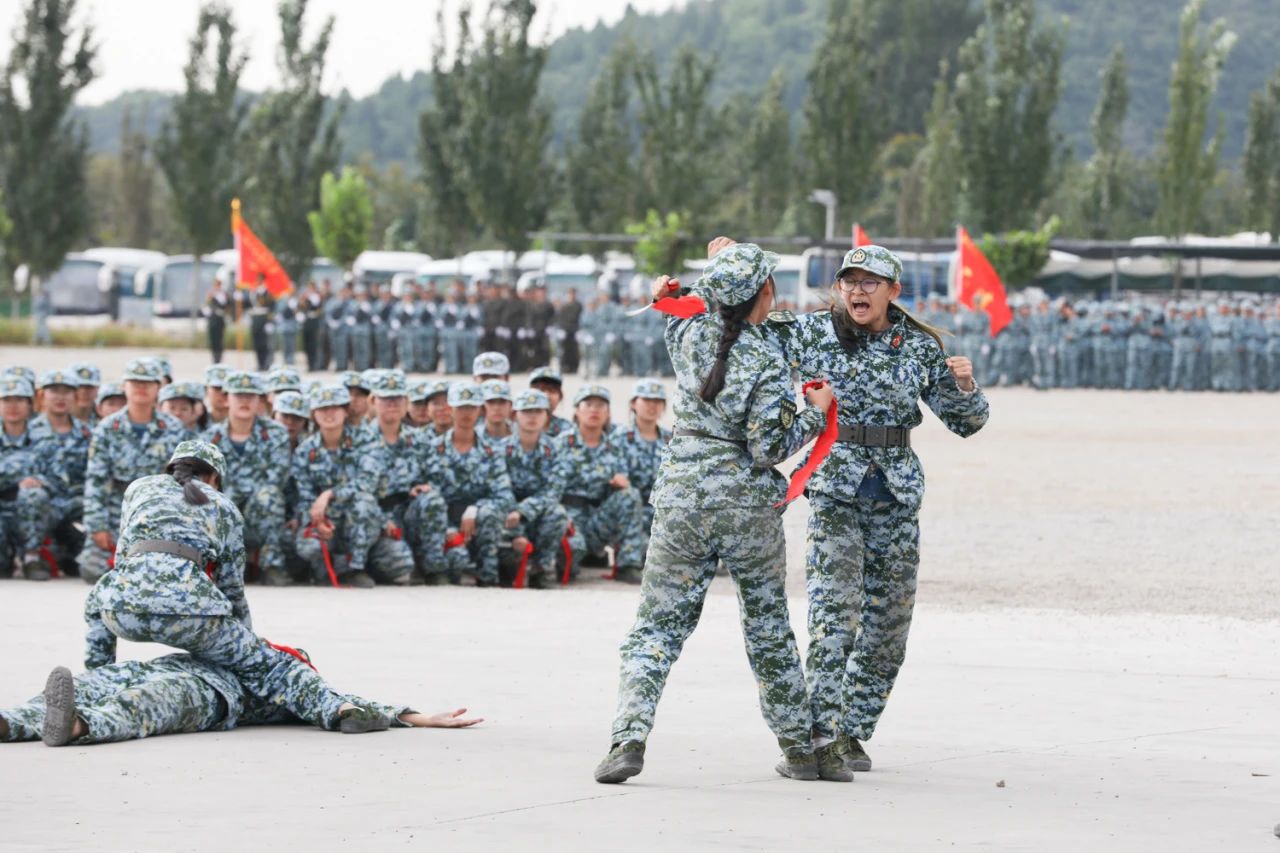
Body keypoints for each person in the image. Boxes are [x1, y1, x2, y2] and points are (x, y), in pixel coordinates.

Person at [595, 240, 835, 785]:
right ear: (763, 292)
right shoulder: (768, 361)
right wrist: (815, 416)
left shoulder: (684, 334)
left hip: (680, 496)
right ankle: (799, 749)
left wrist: (700, 275)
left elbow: (693, 303)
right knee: (768, 624)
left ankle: (627, 737)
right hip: (745, 503)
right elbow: (767, 448)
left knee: (655, 627)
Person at [779, 245, 988, 775]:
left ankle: (850, 731)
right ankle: (817, 735)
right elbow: (740, 329)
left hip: (894, 492)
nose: (857, 291)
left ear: (894, 292)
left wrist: (965, 387)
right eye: (850, 281)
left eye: (871, 283)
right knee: (834, 615)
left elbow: (966, 423)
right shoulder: (809, 332)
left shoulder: (918, 348)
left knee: (888, 624)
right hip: (835, 489)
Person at [81, 440, 391, 734]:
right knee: (272, 666)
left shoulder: (139, 488)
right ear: (214, 476)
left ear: (172, 467)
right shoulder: (223, 505)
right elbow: (231, 589)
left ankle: (95, 683)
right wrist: (244, 648)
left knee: (96, 605)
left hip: (118, 609)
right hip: (187, 612)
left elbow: (122, 556)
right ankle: (339, 711)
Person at [1, 654, 482, 746]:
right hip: (168, 664)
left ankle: (81, 727)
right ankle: (11, 722)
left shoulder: (291, 679)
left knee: (145, 702)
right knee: (85, 683)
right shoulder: (234, 642)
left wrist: (418, 717)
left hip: (212, 694)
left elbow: (344, 701)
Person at [78, 359, 189, 584]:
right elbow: (96, 481)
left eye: (148, 383)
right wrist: (97, 527)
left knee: (163, 572)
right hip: (115, 511)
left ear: (158, 388)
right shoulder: (107, 429)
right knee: (92, 569)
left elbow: (182, 481)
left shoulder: (173, 428)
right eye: (135, 382)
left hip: (158, 510)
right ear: (124, 387)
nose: (141, 388)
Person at [203, 372, 293, 587]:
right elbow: (205, 483)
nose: (244, 401)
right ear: (226, 399)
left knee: (268, 495)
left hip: (258, 512)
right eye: (239, 395)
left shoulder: (276, 433)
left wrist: (234, 493)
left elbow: (276, 477)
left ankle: (272, 565)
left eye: (250, 396)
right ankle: (216, 567)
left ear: (260, 401)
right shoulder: (209, 437)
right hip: (225, 510)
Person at [291, 385, 383, 589]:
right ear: (314, 414)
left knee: (364, 503)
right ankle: (322, 567)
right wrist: (316, 519)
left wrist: (330, 494)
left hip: (356, 517)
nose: (329, 414)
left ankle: (355, 568)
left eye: (335, 408)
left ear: (345, 411)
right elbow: (304, 495)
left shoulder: (366, 440)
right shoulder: (305, 450)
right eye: (323, 409)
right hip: (323, 519)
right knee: (308, 546)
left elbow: (368, 481)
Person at [557, 385, 646, 584]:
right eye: (588, 405)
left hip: (597, 518)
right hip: (568, 517)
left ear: (608, 414)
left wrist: (622, 483)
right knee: (570, 558)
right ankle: (571, 558)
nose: (594, 410)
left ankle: (627, 564)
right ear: (577, 411)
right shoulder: (560, 444)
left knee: (630, 495)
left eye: (601, 406)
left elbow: (622, 479)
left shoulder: (614, 448)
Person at [429, 382, 515, 587]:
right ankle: (435, 569)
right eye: (461, 408)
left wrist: (476, 509)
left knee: (490, 512)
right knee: (456, 561)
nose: (466, 413)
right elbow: (425, 494)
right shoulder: (432, 449)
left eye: (471, 407)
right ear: (450, 410)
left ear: (481, 410)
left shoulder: (492, 452)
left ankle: (488, 576)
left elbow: (504, 495)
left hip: (479, 524)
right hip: (444, 524)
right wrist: (447, 529)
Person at [367, 370, 442, 585]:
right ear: (373, 401)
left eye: (397, 398)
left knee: (432, 498)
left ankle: (433, 567)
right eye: (385, 398)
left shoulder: (419, 440)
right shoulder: (360, 440)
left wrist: (423, 487)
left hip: (409, 512)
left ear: (406, 402)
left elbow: (435, 475)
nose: (392, 404)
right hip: (377, 516)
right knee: (398, 564)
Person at [501, 390, 570, 589]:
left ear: (547, 417)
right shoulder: (500, 449)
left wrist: (523, 512)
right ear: (515, 415)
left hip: (537, 513)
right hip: (507, 514)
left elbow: (553, 491)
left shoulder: (556, 449)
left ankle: (542, 568)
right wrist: (515, 518)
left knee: (557, 513)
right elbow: (498, 487)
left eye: (538, 412)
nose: (532, 417)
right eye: (526, 411)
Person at [0, 376, 65, 580]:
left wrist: (38, 481)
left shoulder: (46, 438)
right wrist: (12, 482)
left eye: (19, 400)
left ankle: (31, 558)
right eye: (7, 400)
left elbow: (61, 480)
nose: (13, 406)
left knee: (33, 494)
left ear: (30, 405)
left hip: (33, 513)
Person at [30, 369, 92, 575]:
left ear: (75, 397)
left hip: (76, 501)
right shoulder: (28, 431)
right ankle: (34, 555)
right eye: (53, 391)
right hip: (44, 503)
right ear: (42, 396)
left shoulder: (87, 433)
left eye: (66, 392)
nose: (60, 397)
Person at [614, 379, 671, 542]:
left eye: (658, 401)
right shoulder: (620, 437)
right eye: (646, 400)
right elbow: (620, 479)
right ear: (633, 403)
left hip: (662, 512)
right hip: (631, 512)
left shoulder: (672, 439)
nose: (652, 406)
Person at [530, 367, 572, 437]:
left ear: (560, 397)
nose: (546, 395)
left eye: (552, 390)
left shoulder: (568, 430)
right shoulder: (516, 427)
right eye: (541, 390)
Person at [202, 279, 230, 364]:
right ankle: (214, 359)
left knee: (219, 340)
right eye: (215, 285)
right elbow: (206, 304)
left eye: (218, 285)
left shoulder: (224, 294)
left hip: (219, 318)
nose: (216, 287)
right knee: (212, 340)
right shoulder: (210, 294)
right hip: (212, 319)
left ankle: (219, 359)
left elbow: (226, 306)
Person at [478, 380, 514, 445]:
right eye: (491, 402)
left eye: (502, 401)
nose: (497, 407)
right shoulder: (473, 438)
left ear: (510, 405)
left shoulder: (521, 436)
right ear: (481, 407)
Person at [556, 288, 583, 374]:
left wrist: (580, 330)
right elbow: (560, 318)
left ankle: (574, 368)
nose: (571, 296)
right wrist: (560, 329)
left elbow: (580, 318)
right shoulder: (564, 306)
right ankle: (564, 367)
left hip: (574, 330)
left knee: (574, 350)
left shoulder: (578, 306)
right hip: (565, 330)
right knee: (564, 350)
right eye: (570, 294)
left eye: (573, 294)